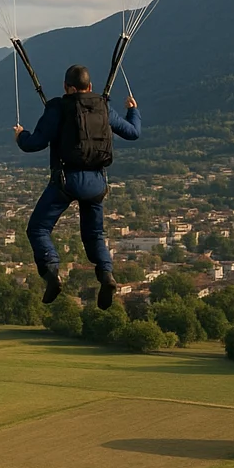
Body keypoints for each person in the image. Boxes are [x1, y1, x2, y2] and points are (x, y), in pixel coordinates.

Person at [14, 63, 140, 310]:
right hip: (97, 183)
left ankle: (52, 273)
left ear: (66, 87)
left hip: (66, 181)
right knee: (94, 235)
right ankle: (106, 275)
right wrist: (133, 111)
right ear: (89, 87)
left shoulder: (58, 108)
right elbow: (133, 132)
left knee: (38, 228)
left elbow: (35, 143)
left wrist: (20, 135)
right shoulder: (103, 106)